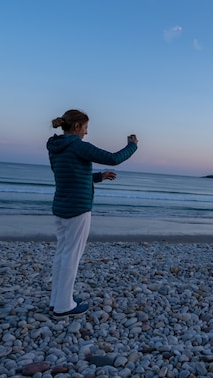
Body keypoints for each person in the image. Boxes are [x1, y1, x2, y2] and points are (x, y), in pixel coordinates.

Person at [47, 109, 138, 317]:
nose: (86, 132)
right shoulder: (78, 145)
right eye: (86, 128)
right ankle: (64, 307)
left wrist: (98, 177)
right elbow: (113, 158)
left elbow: (69, 174)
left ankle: (58, 299)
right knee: (71, 256)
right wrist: (132, 145)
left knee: (62, 254)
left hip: (60, 207)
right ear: (77, 127)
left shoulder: (55, 146)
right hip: (78, 209)